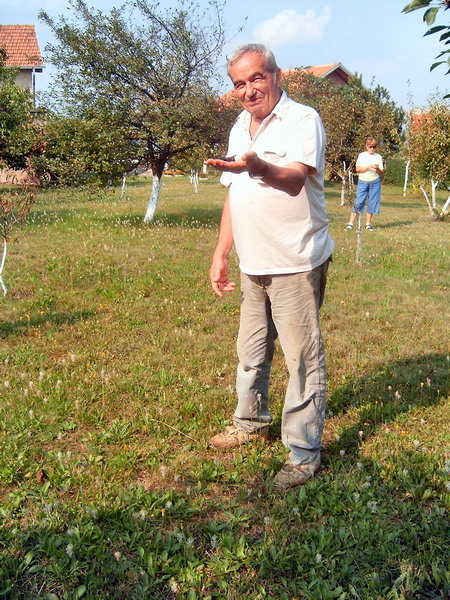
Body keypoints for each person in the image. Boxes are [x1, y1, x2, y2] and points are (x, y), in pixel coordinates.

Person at [206, 44, 334, 490]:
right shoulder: (239, 126)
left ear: (277, 76)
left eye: (256, 78)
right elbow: (234, 193)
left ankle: (302, 453)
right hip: (253, 262)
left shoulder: (302, 119)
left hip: (295, 260)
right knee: (251, 351)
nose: (248, 90)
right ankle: (250, 422)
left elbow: (295, 179)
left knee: (301, 360)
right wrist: (222, 252)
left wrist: (259, 166)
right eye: (238, 83)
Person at [346, 137, 384, 231]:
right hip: (363, 181)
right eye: (371, 146)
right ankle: (351, 223)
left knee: (373, 202)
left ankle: (368, 224)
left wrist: (377, 169)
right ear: (367, 146)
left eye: (374, 147)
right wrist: (368, 167)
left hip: (375, 182)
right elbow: (358, 169)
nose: (372, 149)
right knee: (359, 201)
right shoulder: (362, 155)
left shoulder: (378, 157)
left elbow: (381, 172)